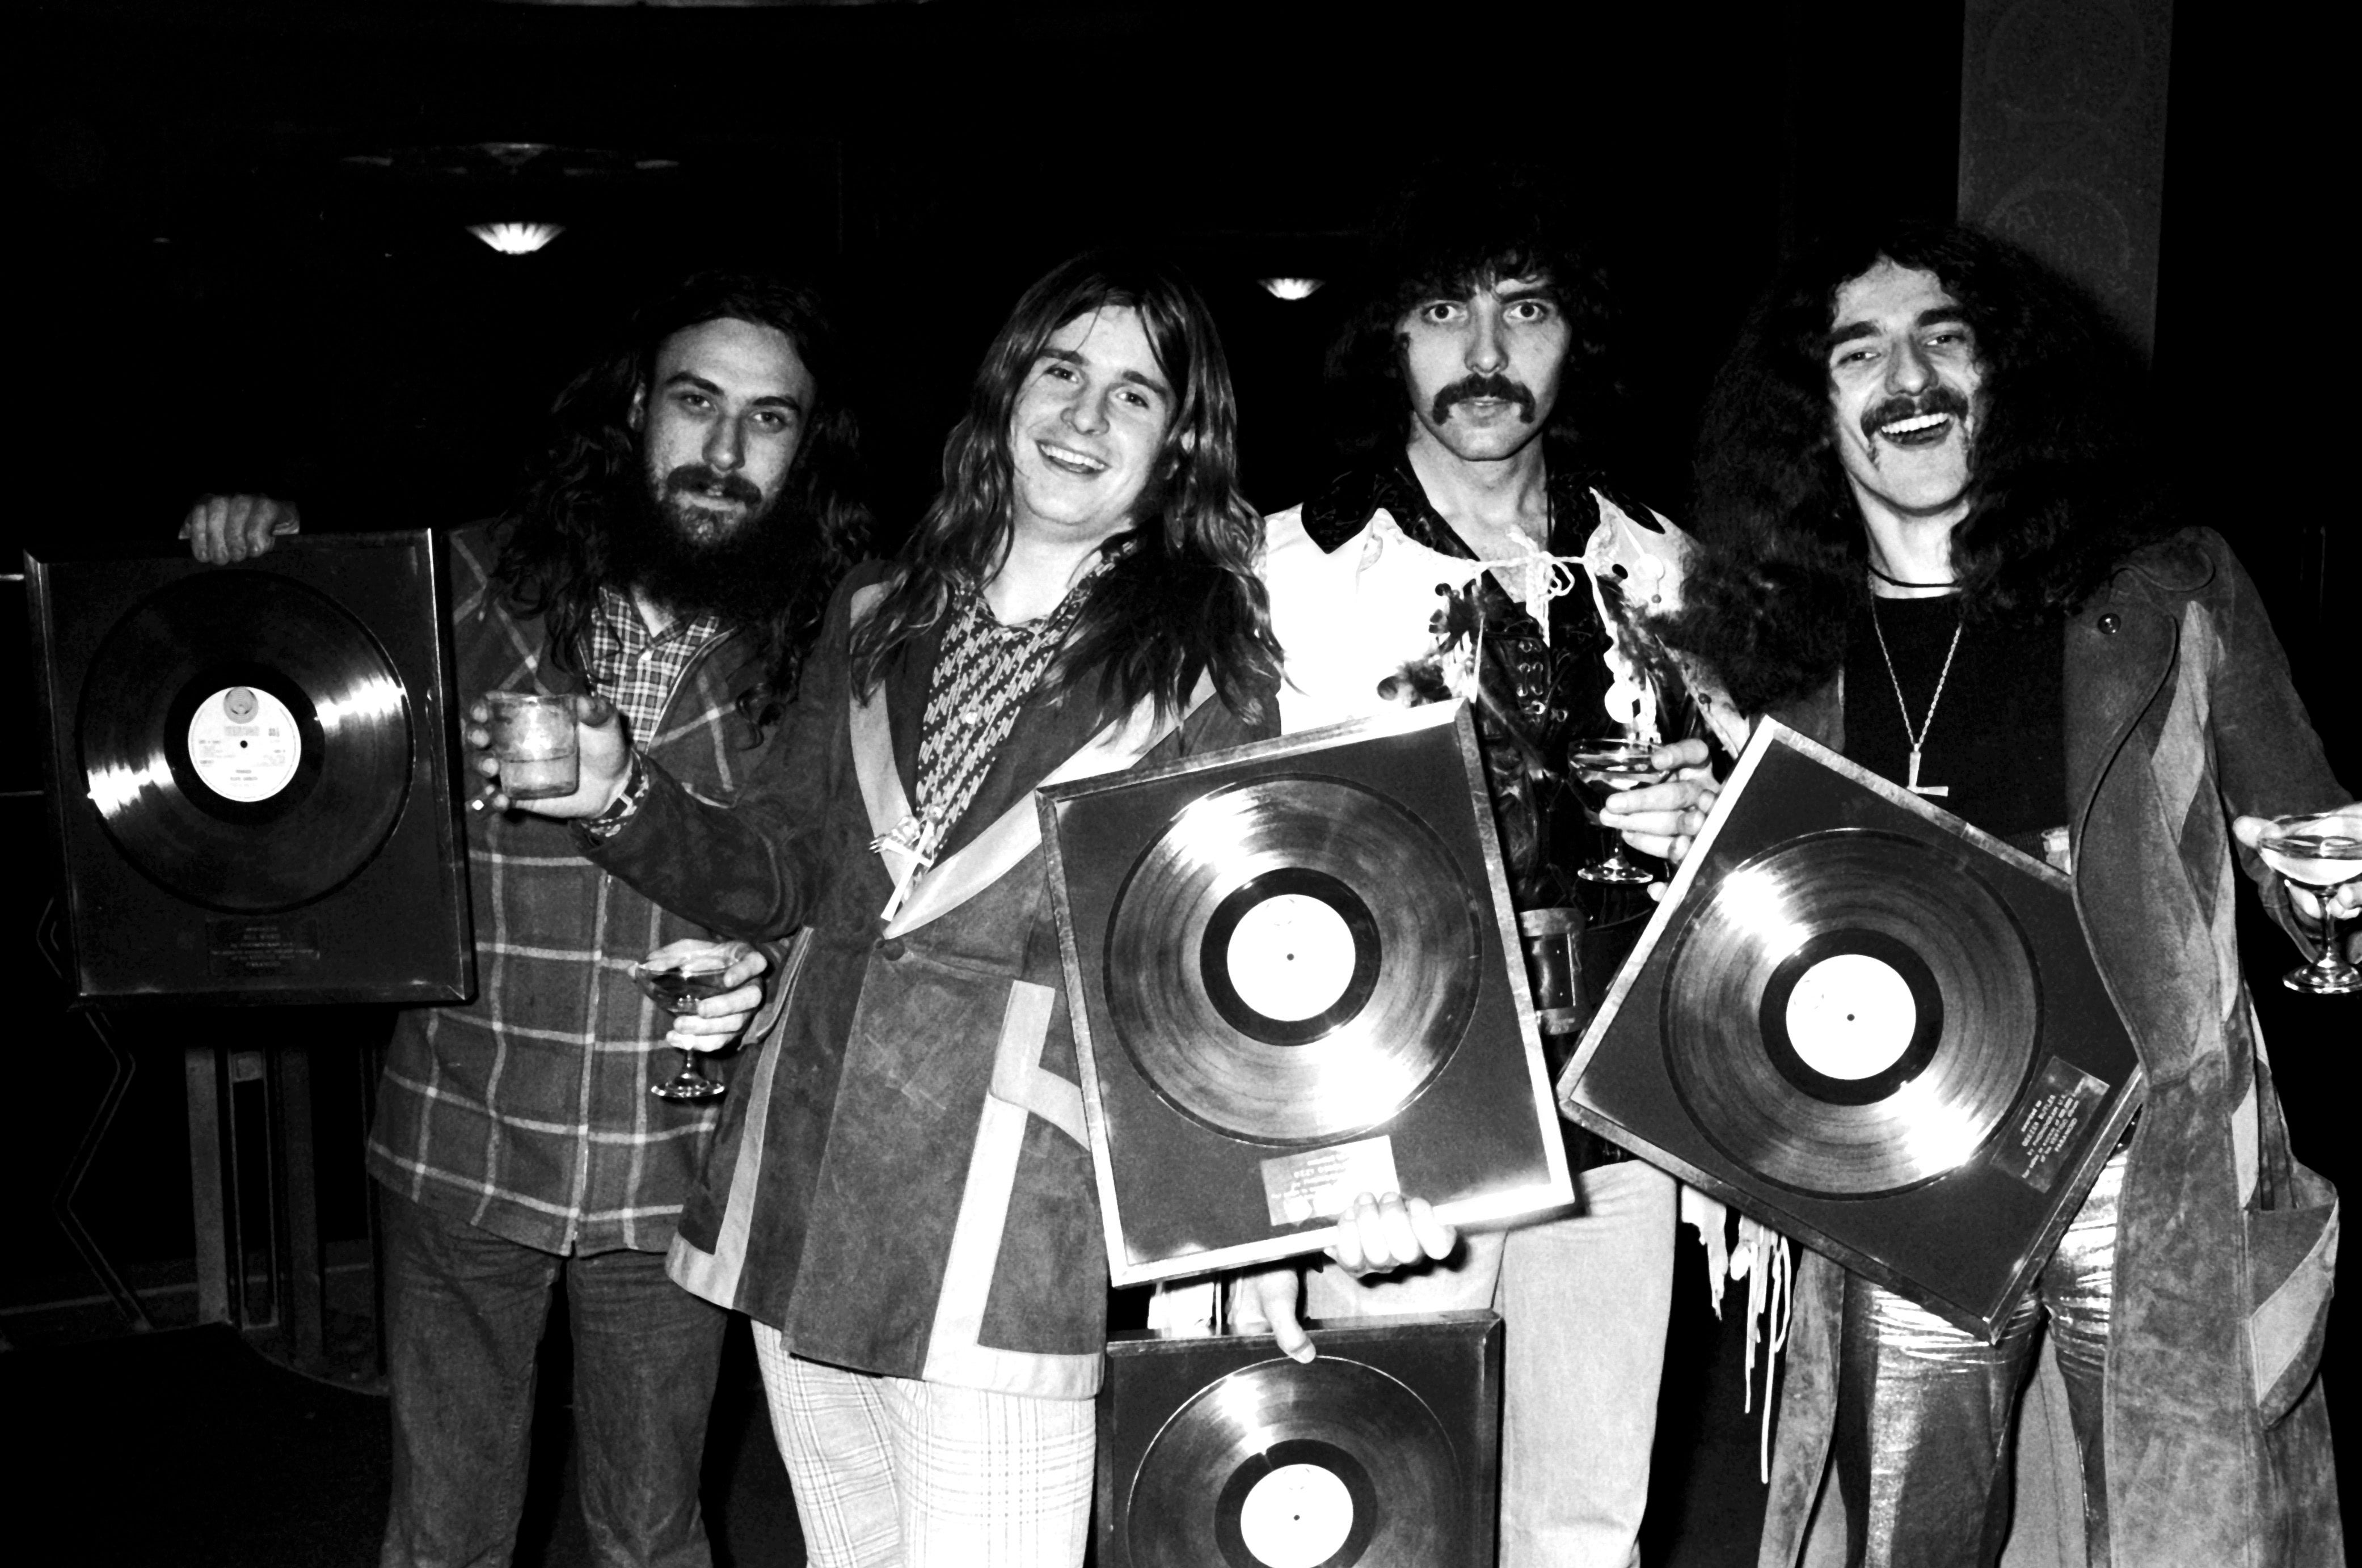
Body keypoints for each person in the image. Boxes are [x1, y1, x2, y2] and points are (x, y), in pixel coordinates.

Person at [485, 252, 1454, 1568]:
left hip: (1011, 1222)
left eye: (1134, 396)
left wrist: (1299, 1199)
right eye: (1061, 372)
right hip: (806, 1180)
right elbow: (781, 871)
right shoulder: (875, 612)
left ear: (1178, 452)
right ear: (1006, 396)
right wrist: (620, 798)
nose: (1082, 416)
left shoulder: (1206, 669)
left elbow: (1221, 974)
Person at [1618, 221, 2352, 1567]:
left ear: (2010, 379)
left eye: (1944, 338)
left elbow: (2313, 869)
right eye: (1860, 353)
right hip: (1905, 1169)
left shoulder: (2168, 589)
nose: (1909, 378)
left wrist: (2333, 897)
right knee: (1908, 1541)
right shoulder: (1774, 659)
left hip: (2149, 1162)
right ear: (1812, 413)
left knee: (2182, 1531)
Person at [182, 269, 871, 1568]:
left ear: (807, 450)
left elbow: (785, 883)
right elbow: (268, 711)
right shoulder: (467, 585)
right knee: (441, 1538)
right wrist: (256, 556)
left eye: (769, 421)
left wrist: (621, 800)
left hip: (674, 1161)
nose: (724, 453)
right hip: (461, 1139)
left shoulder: (828, 639)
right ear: (632, 409)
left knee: (651, 1537)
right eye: (695, 402)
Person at [1252, 164, 1715, 1568]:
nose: (1488, 352)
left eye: (1529, 309)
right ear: (1388, 338)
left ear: (1578, 338)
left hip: (1614, 1121)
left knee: (1582, 1529)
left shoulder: (1671, 569)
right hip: (1399, 1117)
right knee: (1372, 1509)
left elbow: (1752, 852)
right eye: (1445, 311)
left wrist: (1705, 821)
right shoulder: (1283, 574)